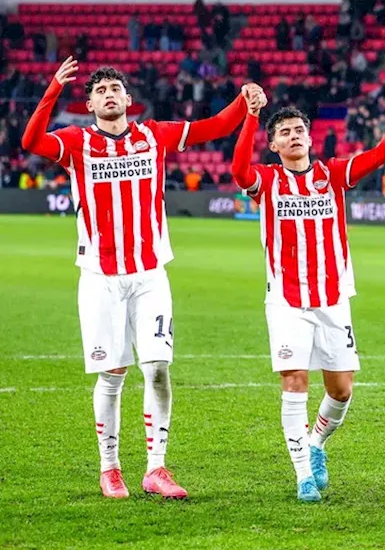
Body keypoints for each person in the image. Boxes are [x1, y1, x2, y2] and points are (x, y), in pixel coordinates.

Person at [20, 57, 261, 499]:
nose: (109, 94)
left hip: (150, 274)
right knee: (112, 374)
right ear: (90, 103)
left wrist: (244, 99)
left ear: (129, 100)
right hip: (100, 277)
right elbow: (31, 139)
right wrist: (53, 88)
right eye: (100, 90)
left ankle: (156, 468)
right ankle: (109, 468)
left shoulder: (155, 135)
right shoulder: (77, 142)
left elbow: (215, 126)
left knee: (158, 369)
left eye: (116, 88)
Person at [230, 103, 385, 502]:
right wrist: (250, 117)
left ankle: (316, 445)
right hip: (286, 300)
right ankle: (302, 477)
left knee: (342, 390)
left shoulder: (332, 175)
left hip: (332, 299)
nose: (294, 135)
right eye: (285, 132)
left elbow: (380, 156)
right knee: (295, 383)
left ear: (310, 138)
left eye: (299, 130)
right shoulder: (267, 180)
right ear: (274, 143)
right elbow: (238, 171)